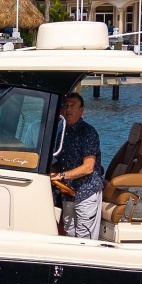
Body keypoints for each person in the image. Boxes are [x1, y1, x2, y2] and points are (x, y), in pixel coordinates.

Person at [51, 93, 103, 239]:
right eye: (66, 106)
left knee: (84, 239)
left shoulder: (88, 132)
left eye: (73, 106)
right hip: (67, 193)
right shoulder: (62, 134)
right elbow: (59, 163)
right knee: (69, 235)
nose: (68, 109)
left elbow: (88, 167)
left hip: (86, 192)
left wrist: (61, 176)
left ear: (81, 110)